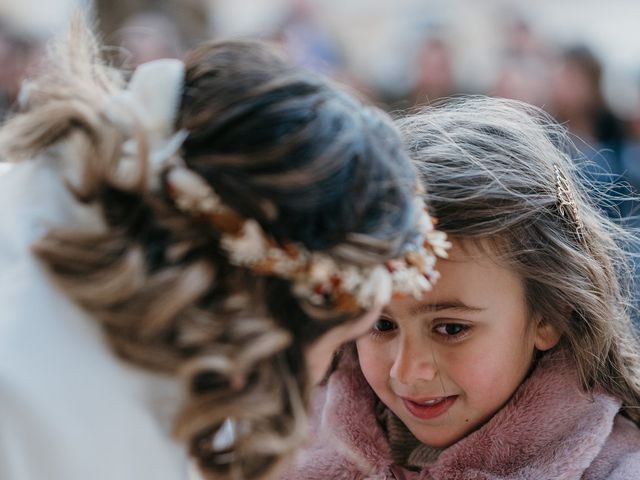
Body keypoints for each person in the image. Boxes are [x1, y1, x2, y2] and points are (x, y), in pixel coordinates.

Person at [0, 16, 449, 480]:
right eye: (336, 341)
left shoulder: (39, 204)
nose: (319, 375)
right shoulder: (59, 417)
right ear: (261, 304)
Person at [285, 96, 640, 479]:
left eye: (451, 328)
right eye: (381, 324)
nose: (409, 372)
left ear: (549, 315)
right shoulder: (284, 443)